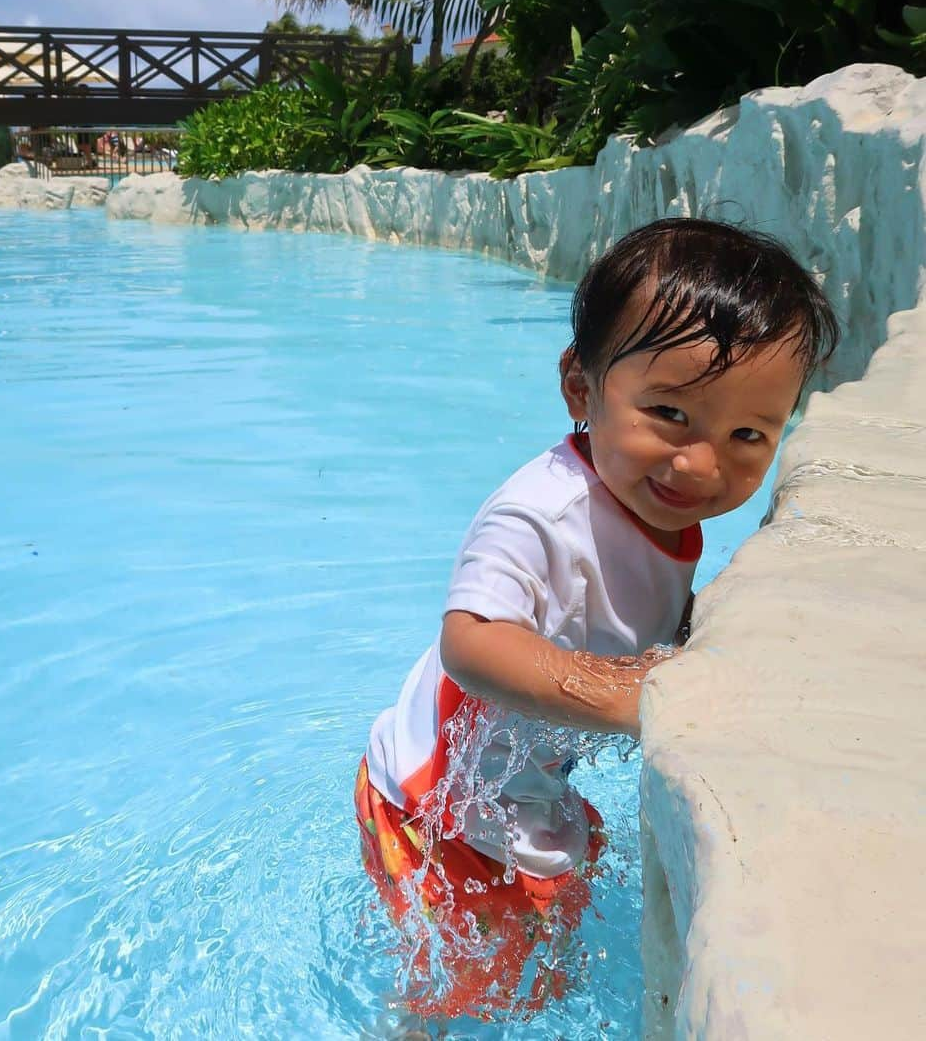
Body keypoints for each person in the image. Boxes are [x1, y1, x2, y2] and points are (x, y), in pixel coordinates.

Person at [357, 217, 840, 1020]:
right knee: (463, 988)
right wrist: (618, 697)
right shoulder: (539, 515)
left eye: (748, 434)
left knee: (547, 959)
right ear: (581, 389)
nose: (702, 463)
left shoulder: (655, 504)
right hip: (429, 794)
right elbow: (471, 642)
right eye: (670, 415)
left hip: (521, 780)